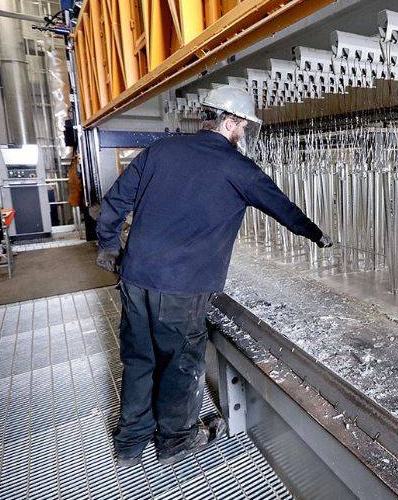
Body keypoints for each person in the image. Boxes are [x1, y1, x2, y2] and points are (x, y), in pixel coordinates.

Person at [95, 86, 332, 468]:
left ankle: (130, 444)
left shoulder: (161, 150)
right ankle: (176, 441)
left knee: (139, 359)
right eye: (243, 127)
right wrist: (315, 234)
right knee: (179, 363)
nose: (243, 135)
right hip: (184, 289)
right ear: (230, 121)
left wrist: (109, 246)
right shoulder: (238, 168)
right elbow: (281, 207)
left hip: (137, 278)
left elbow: (116, 200)